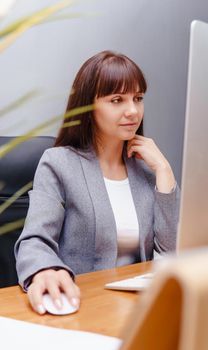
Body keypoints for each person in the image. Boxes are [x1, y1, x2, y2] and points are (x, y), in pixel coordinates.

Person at [15, 50, 180, 315]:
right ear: (88, 107)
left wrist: (164, 171)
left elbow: (170, 255)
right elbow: (35, 241)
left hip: (141, 309)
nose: (132, 110)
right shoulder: (59, 164)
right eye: (117, 100)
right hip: (85, 306)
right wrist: (44, 270)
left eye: (138, 98)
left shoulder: (147, 171)